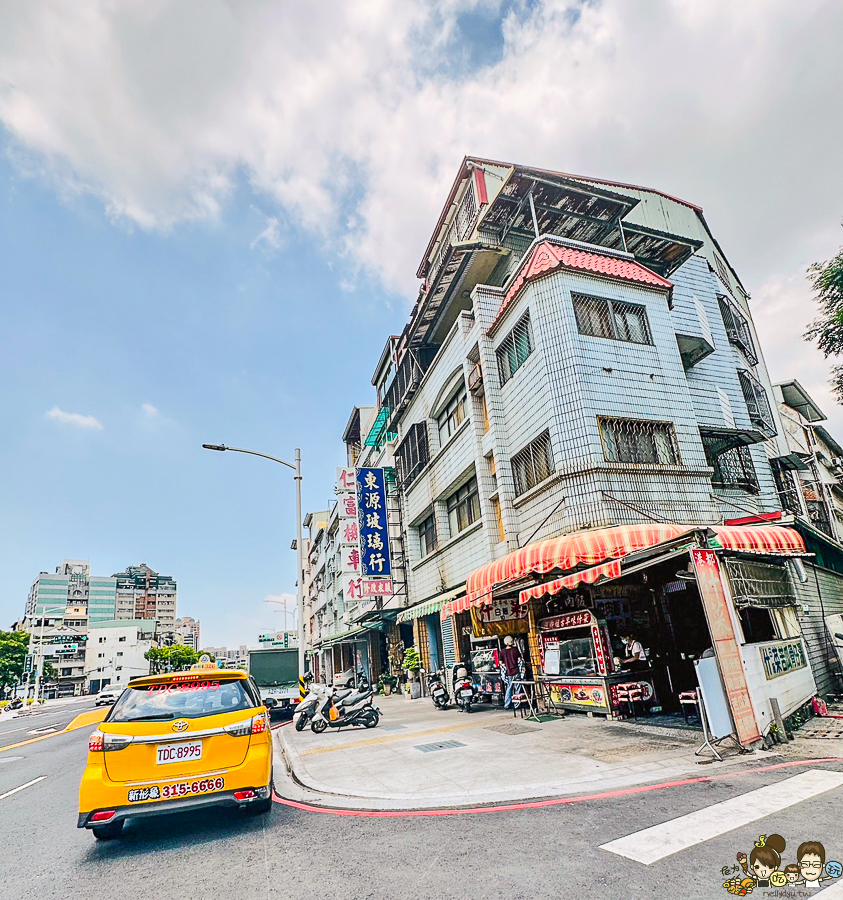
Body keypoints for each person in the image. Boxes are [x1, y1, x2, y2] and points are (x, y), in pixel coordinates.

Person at [500, 636, 523, 709]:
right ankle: (517, 705)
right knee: (518, 688)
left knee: (509, 688)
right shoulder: (515, 650)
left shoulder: (502, 652)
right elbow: (520, 660)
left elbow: (501, 663)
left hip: (509, 673)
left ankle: (507, 705)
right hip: (516, 672)